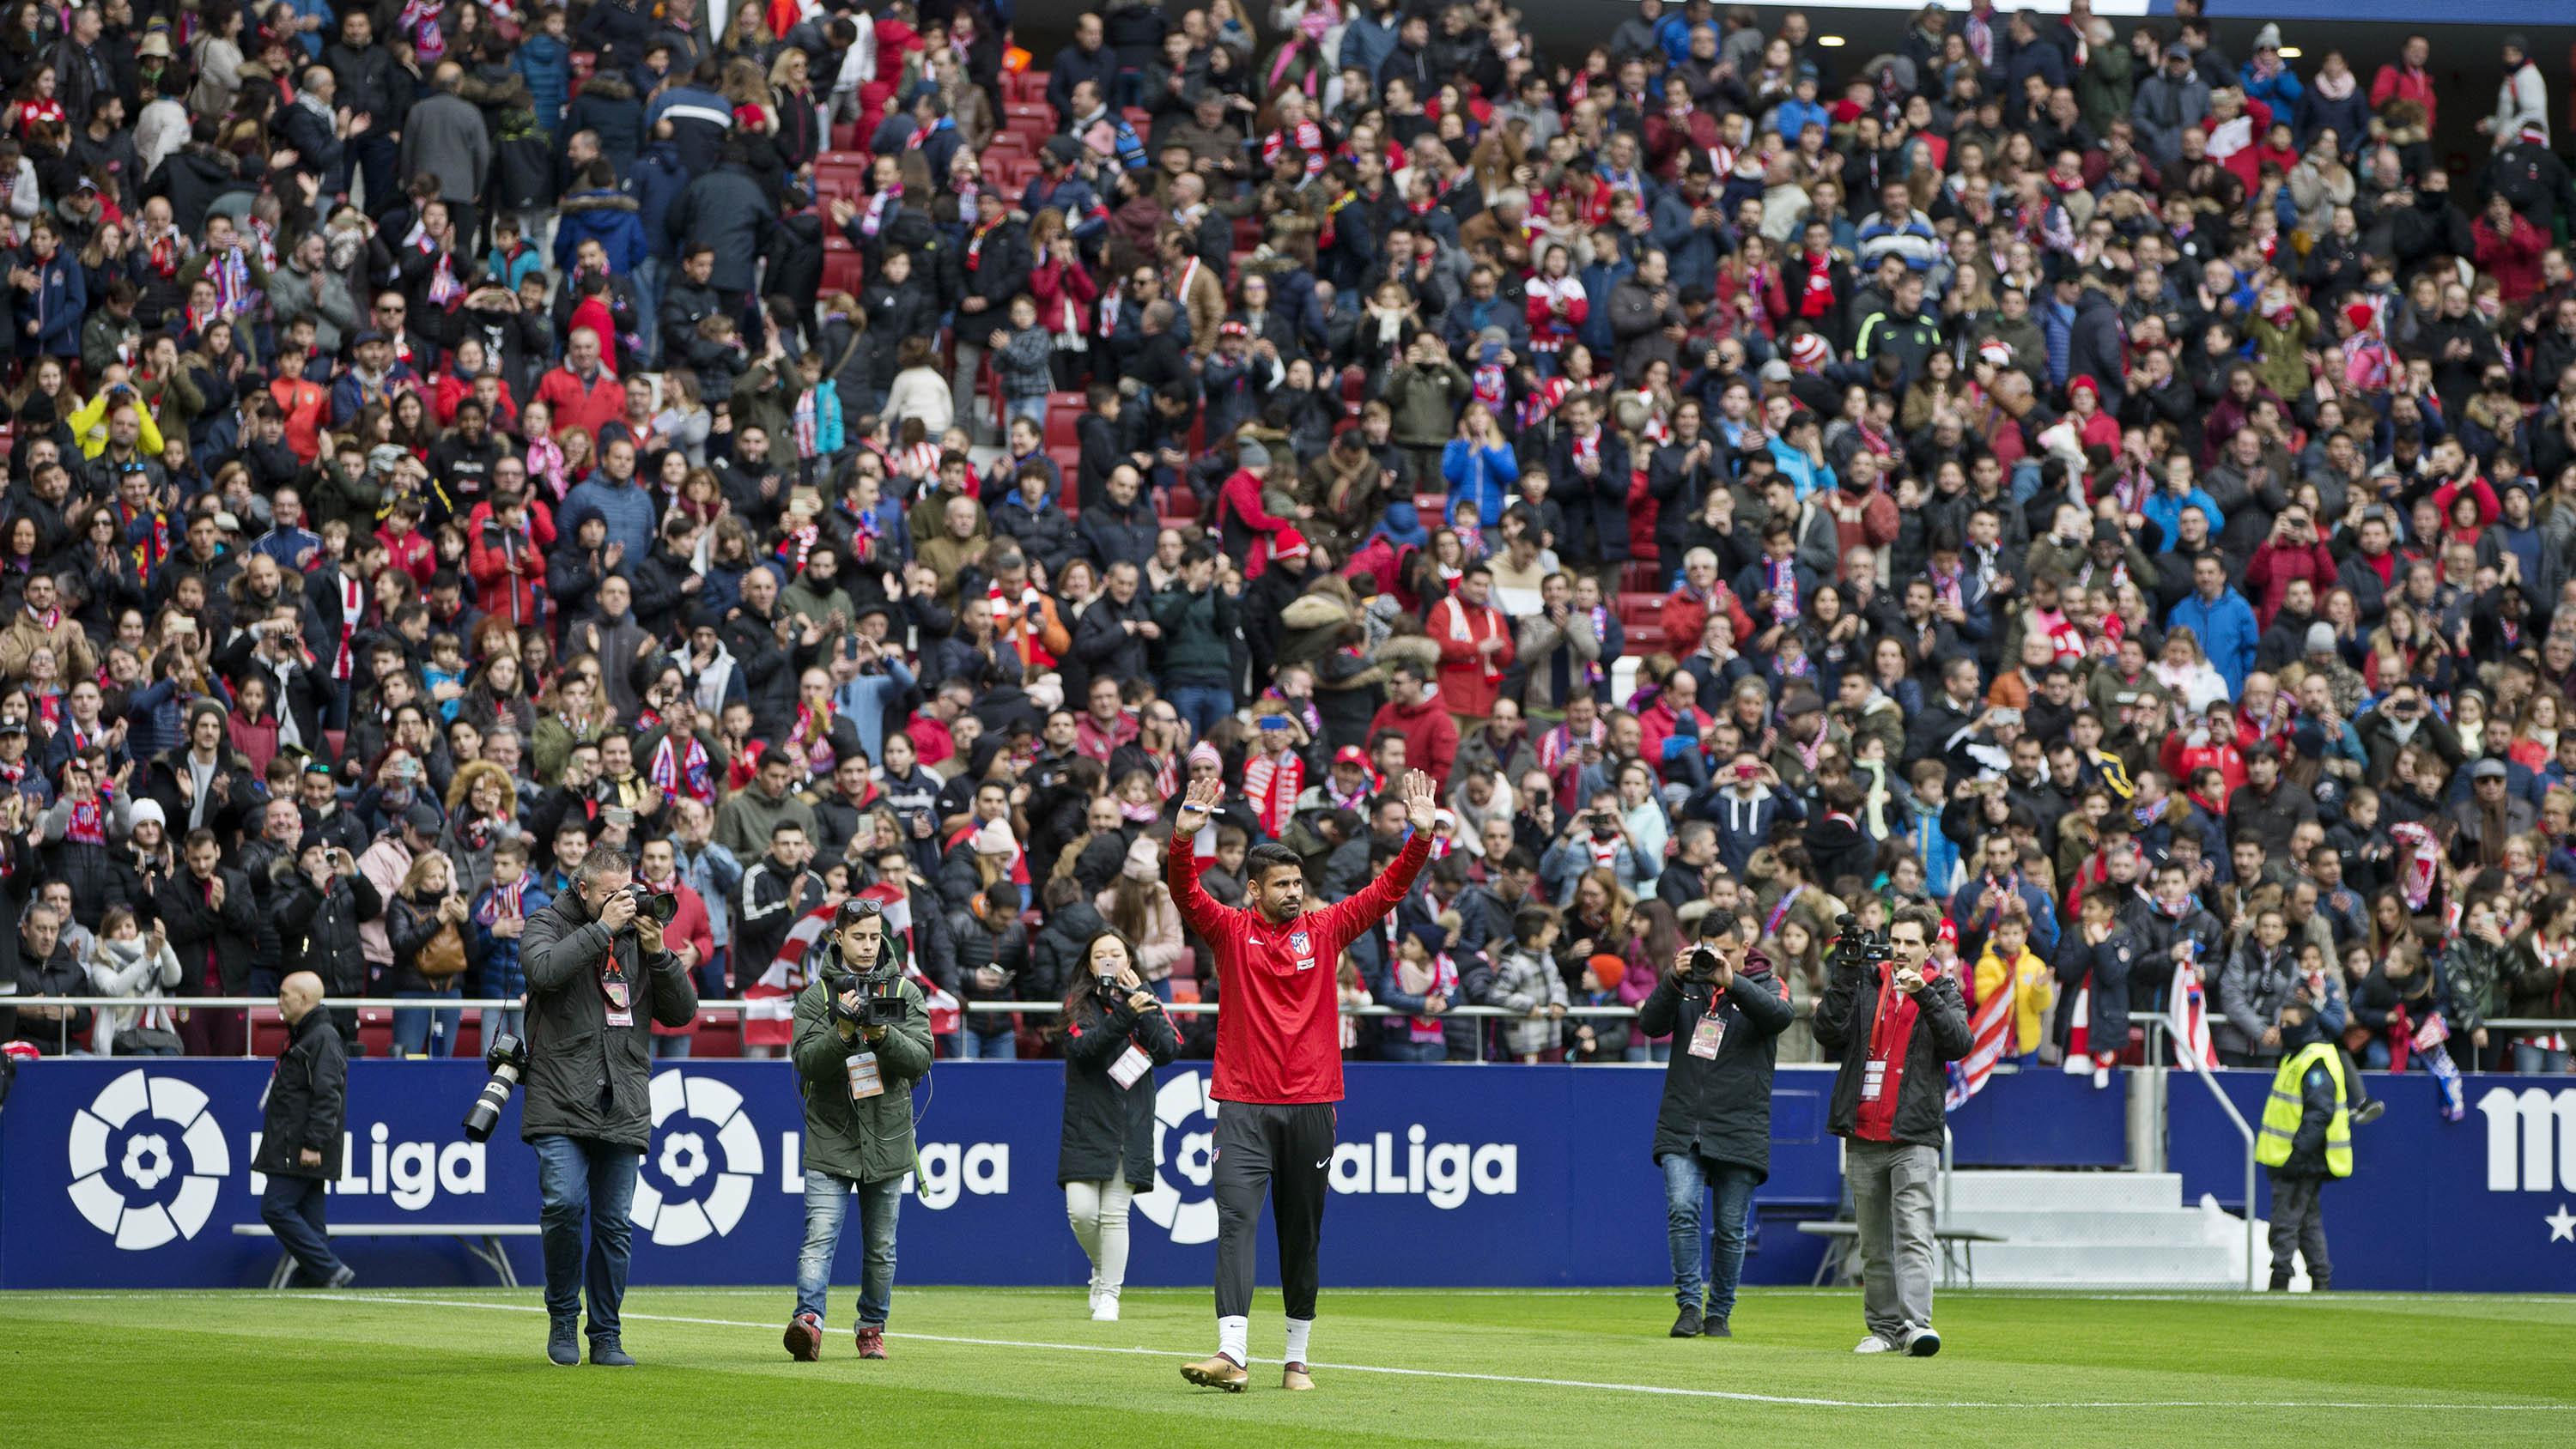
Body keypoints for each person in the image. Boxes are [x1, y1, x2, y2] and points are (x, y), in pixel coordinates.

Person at [1170, 767, 1439, 1393]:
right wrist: (1182, 839)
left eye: (1299, 883)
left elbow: (1388, 890)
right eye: (1282, 884)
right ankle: (1232, 1354)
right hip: (1241, 1104)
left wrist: (1419, 839)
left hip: (1314, 1104)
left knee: (1301, 1232)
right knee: (1236, 1221)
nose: (1295, 892)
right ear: (1253, 890)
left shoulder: (1327, 928)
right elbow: (1185, 894)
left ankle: (1296, 1359)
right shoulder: (1230, 932)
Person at [519, 846, 700, 1367]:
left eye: (628, 890)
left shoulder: (638, 935)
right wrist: (601, 929)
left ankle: (606, 1333)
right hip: (558, 1091)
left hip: (622, 1095)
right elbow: (543, 970)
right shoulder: (547, 921)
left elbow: (683, 1013)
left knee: (616, 1224)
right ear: (583, 889)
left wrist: (660, 953)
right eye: (610, 894)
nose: (624, 901)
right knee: (563, 1204)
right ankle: (561, 1318)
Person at [1809, 904, 1971, 1356]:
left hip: (1914, 1133)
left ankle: (1916, 1325)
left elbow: (1960, 1043)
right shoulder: (1864, 981)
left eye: (1910, 943)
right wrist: (1845, 971)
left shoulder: (1942, 989)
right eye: (1895, 941)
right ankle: (1882, 1329)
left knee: (1914, 1233)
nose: (1900, 950)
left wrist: (1924, 994)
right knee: (1874, 1243)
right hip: (1863, 1130)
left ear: (1930, 948)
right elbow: (1827, 1031)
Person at [782, 898, 933, 1363]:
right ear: (839, 939)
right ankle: (809, 1323)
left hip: (887, 1135)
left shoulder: (904, 992)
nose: (869, 946)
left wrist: (882, 1035)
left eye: (874, 936)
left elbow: (922, 1059)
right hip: (831, 1132)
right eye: (859, 937)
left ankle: (872, 1328)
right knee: (819, 1236)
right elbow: (805, 1063)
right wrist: (844, 1031)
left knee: (882, 1247)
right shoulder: (816, 998)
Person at [1637, 908, 1793, 1338]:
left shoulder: (1767, 982)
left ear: (1745, 947)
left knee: (1729, 1227)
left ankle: (1719, 1312)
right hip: (1684, 1119)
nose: (1717, 960)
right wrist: (1673, 978)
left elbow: (1780, 1017)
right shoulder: (1687, 985)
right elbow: (1649, 1024)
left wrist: (1732, 983)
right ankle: (1689, 1307)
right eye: (1709, 952)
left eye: (1726, 952)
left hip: (1740, 1120)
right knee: (1683, 1211)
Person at [1057, 929, 1177, 1322]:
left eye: (1116, 954)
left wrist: (1144, 1003)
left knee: (1114, 1214)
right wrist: (1127, 1013)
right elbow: (1084, 1049)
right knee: (1081, 1212)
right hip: (1087, 1121)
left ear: (1129, 961)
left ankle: (1109, 1292)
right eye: (1100, 956)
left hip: (1131, 1120)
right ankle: (1102, 1268)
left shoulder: (1147, 999)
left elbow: (1168, 1050)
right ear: (1090, 965)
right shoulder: (1079, 1003)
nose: (1109, 961)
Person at [252, 970, 354, 1288]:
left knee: (275, 1207)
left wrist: (314, 1143)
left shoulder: (322, 1037)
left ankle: (329, 1269)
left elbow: (328, 1097)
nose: (278, 1001)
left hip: (301, 1146)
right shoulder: (308, 1035)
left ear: (305, 999)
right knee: (312, 1221)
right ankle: (319, 1284)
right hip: (296, 1143)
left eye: (284, 994)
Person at [2254, 996, 2352, 1291]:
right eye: (2280, 1023)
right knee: (2308, 1222)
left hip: (2301, 1159)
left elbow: (2319, 1114)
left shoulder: (2314, 1060)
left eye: (2289, 1024)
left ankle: (2281, 1276)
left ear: (2307, 1024)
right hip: (2293, 1157)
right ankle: (2321, 1279)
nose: (2283, 1029)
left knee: (2286, 1221)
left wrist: (2298, 1155)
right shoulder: (2297, 1056)